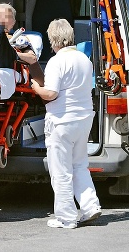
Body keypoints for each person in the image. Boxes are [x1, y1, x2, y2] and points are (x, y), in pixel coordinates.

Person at [30, 18, 101, 229]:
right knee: (80, 165)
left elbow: (51, 93)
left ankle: (66, 217)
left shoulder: (56, 61)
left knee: (60, 171)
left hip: (61, 120)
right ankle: (90, 206)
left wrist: (35, 87)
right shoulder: (84, 59)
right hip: (84, 118)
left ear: (54, 40)